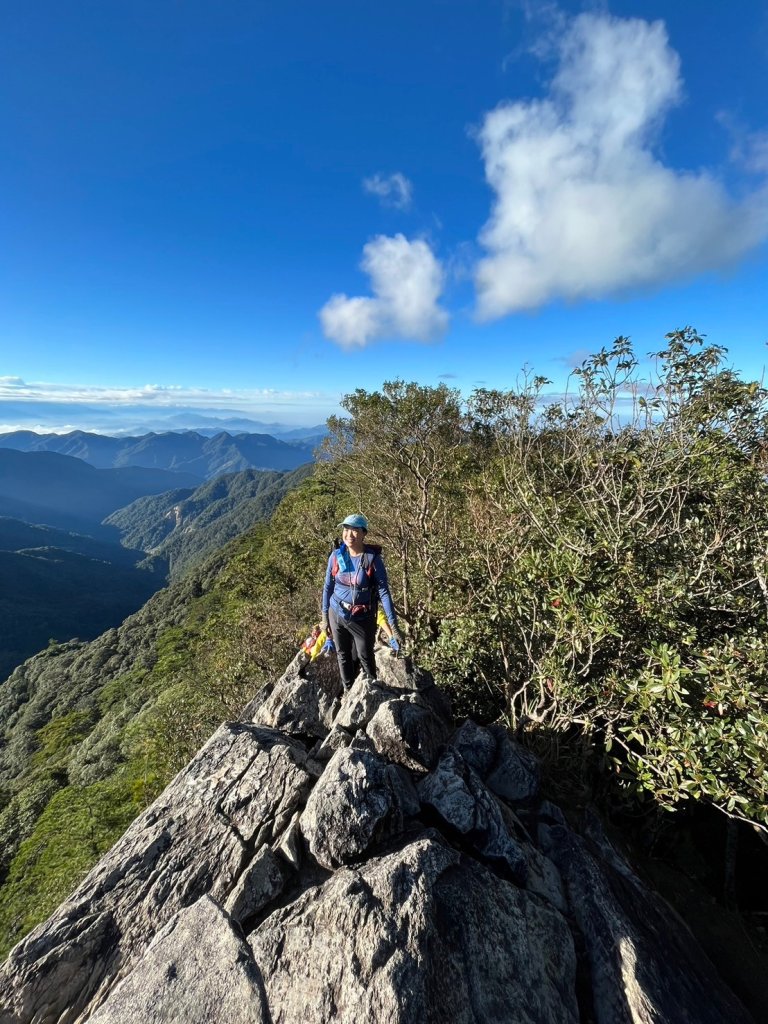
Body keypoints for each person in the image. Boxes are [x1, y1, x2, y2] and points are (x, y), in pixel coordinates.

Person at [321, 513, 403, 690]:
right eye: (346, 529)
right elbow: (328, 587)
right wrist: (324, 618)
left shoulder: (372, 560)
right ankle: (348, 691)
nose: (349, 534)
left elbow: (384, 593)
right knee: (343, 655)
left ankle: (372, 691)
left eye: (355, 530)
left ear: (364, 533)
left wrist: (394, 627)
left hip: (363, 617)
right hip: (337, 613)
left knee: (365, 656)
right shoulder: (336, 557)